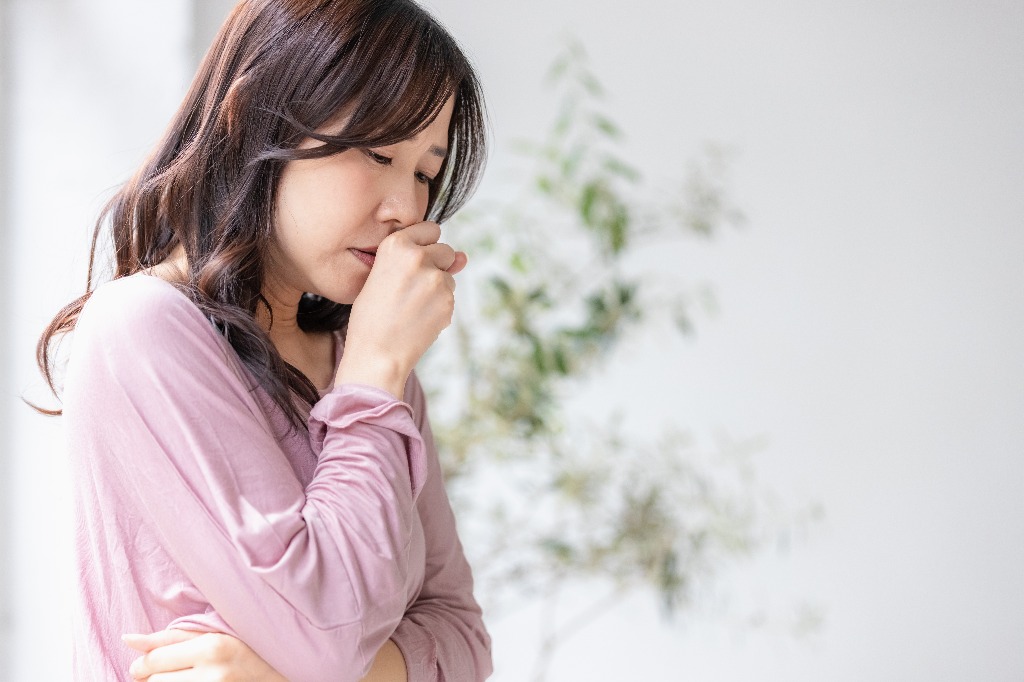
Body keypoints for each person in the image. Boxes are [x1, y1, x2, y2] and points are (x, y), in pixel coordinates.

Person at [35, 1, 491, 680]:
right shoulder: (142, 328)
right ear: (258, 118)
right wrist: (373, 374)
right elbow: (329, 633)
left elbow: (464, 637)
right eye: (379, 153)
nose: (405, 208)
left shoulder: (361, 361)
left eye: (424, 172)